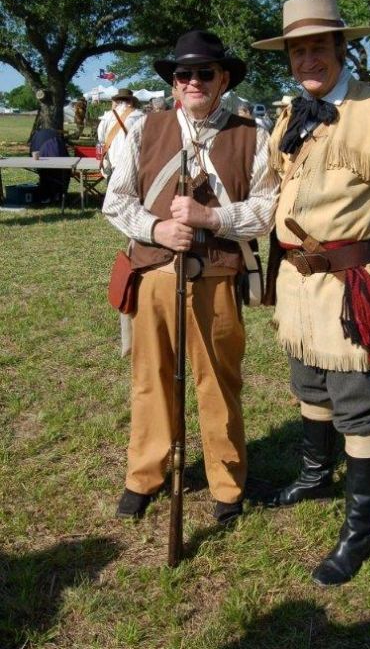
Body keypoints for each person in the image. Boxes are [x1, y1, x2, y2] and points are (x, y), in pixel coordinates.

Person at [253, 0, 370, 586]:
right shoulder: (291, 114)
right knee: (308, 381)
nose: (307, 59)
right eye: (297, 50)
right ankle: (311, 472)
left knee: (356, 402)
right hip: (298, 281)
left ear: (341, 49)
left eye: (318, 48)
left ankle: (358, 533)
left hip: (348, 282)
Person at [102, 29, 278, 525]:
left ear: (223, 79)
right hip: (154, 272)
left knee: (218, 383)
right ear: (174, 83)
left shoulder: (252, 134)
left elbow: (267, 210)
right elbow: (116, 201)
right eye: (185, 74)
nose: (194, 81)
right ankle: (145, 474)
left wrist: (210, 220)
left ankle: (226, 484)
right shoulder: (144, 129)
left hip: (219, 276)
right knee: (150, 379)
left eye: (205, 72)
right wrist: (157, 227)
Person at [97, 88, 145, 178]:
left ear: (117, 101)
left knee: (112, 190)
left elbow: (101, 138)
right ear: (131, 102)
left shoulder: (108, 117)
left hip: (113, 160)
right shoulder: (140, 116)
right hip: (133, 161)